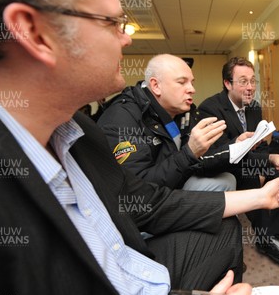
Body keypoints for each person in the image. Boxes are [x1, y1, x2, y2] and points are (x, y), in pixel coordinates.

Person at [0, 0, 279, 295]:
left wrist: (260, 198)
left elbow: (148, 202)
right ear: (34, 32)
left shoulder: (79, 130)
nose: (126, 38)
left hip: (134, 269)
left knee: (225, 233)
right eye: (111, 21)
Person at [199, 57, 279, 268]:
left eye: (253, 81)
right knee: (251, 175)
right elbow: (220, 153)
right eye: (243, 81)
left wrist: (270, 161)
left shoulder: (254, 107)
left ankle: (274, 231)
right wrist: (264, 162)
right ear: (228, 84)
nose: (250, 87)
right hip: (224, 165)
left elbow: (261, 143)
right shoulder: (211, 108)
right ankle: (265, 240)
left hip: (251, 160)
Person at [97, 53, 236, 192]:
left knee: (227, 179)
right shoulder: (122, 119)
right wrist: (189, 152)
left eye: (192, 83)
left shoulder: (183, 112)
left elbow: (200, 160)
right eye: (182, 82)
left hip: (174, 182)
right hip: (143, 202)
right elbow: (138, 188)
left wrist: (235, 145)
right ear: (156, 85)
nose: (192, 89)